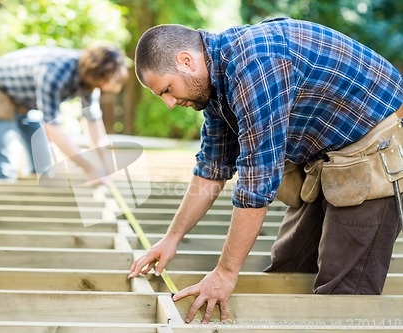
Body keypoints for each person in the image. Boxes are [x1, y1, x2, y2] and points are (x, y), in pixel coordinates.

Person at [128, 17, 403, 324]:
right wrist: (171, 238)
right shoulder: (214, 87)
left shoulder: (255, 64)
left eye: (167, 89)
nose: (169, 102)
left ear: (186, 60)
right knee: (289, 266)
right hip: (324, 156)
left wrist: (226, 272)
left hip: (373, 151)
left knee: (344, 298)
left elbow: (257, 182)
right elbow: (211, 168)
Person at [0, 45, 128, 182]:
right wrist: (89, 169)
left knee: (42, 169)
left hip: (26, 100)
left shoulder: (91, 80)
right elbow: (54, 130)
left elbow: (93, 123)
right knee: (4, 167)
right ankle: (2, 181)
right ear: (95, 74)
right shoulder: (54, 74)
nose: (105, 87)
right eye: (104, 82)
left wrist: (105, 166)